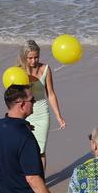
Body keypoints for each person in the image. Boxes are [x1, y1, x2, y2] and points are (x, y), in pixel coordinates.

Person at [19, 40, 67, 170]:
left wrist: (59, 116)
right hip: (24, 114)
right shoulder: (18, 72)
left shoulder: (45, 69)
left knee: (40, 150)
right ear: (24, 57)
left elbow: (50, 94)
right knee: (24, 148)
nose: (33, 61)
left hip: (42, 113)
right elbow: (14, 97)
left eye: (36, 57)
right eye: (30, 58)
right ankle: (27, 179)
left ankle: (41, 179)